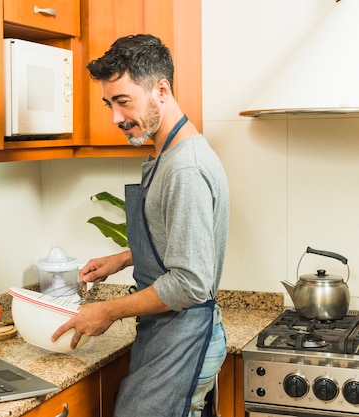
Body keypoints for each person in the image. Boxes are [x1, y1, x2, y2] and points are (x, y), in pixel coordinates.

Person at [51, 34, 230, 417]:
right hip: (171, 334)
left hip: (184, 339)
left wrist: (108, 310)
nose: (115, 117)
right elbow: (181, 242)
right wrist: (124, 258)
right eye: (109, 104)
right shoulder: (169, 154)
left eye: (123, 101)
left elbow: (190, 281)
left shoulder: (185, 167)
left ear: (161, 90)